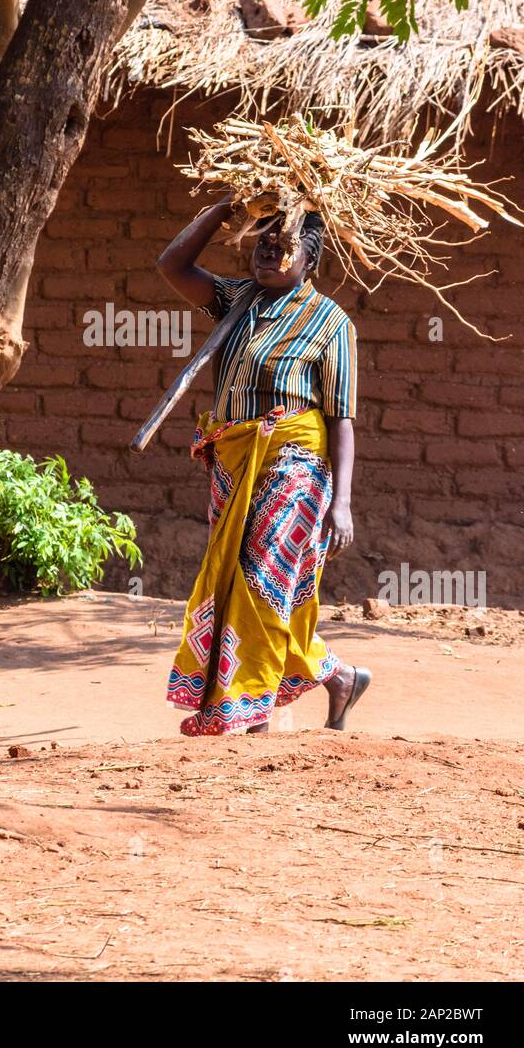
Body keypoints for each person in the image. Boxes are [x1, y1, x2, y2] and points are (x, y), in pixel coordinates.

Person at [156, 194, 371, 737]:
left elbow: (342, 418)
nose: (270, 253)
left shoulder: (331, 322)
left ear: (310, 259)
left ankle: (248, 707)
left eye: (284, 246)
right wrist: (222, 209)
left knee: (261, 580)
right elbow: (171, 266)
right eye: (263, 243)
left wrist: (341, 503)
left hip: (297, 463)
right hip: (235, 460)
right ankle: (338, 675)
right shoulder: (235, 301)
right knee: (234, 580)